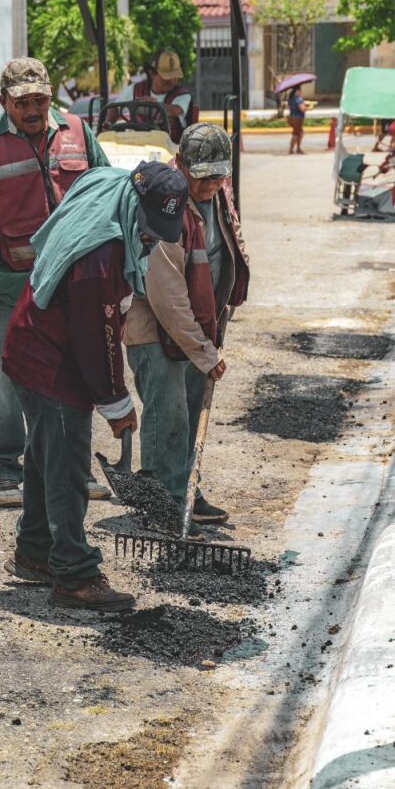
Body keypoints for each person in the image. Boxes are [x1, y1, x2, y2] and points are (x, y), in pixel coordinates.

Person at [2, 161, 189, 611]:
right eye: (147, 230)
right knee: (67, 467)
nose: (148, 239)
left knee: (45, 455)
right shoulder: (100, 258)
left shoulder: (111, 183)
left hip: (32, 340)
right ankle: (73, 573)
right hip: (50, 358)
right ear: (135, 202)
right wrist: (117, 403)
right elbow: (98, 341)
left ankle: (34, 551)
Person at [0, 57, 111, 508]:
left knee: (73, 375)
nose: (34, 109)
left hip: (71, 282)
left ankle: (72, 470)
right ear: (4, 102)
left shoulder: (78, 133)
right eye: (23, 102)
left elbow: (107, 195)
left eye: (40, 99)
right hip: (6, 286)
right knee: (2, 379)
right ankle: (2, 471)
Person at [124, 123, 250, 527]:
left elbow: (228, 247)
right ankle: (162, 505)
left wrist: (214, 325)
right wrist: (202, 350)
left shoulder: (220, 192)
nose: (212, 183)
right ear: (181, 165)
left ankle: (185, 491)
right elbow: (167, 296)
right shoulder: (167, 200)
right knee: (169, 414)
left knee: (193, 412)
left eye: (218, 175)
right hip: (155, 325)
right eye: (203, 176)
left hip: (199, 326)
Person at [115, 48, 194, 144]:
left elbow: (175, 110)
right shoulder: (134, 89)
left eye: (175, 77)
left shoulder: (183, 94)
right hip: (138, 146)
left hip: (171, 149)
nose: (172, 81)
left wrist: (154, 105)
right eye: (167, 77)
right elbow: (115, 108)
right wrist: (107, 126)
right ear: (152, 73)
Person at [287, 85, 307, 154]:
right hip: (297, 118)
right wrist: (308, 108)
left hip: (291, 117)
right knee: (295, 134)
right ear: (298, 91)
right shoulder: (298, 99)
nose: (301, 92)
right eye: (300, 90)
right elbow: (302, 108)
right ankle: (291, 149)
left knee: (300, 133)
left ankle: (298, 148)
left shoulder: (291, 98)